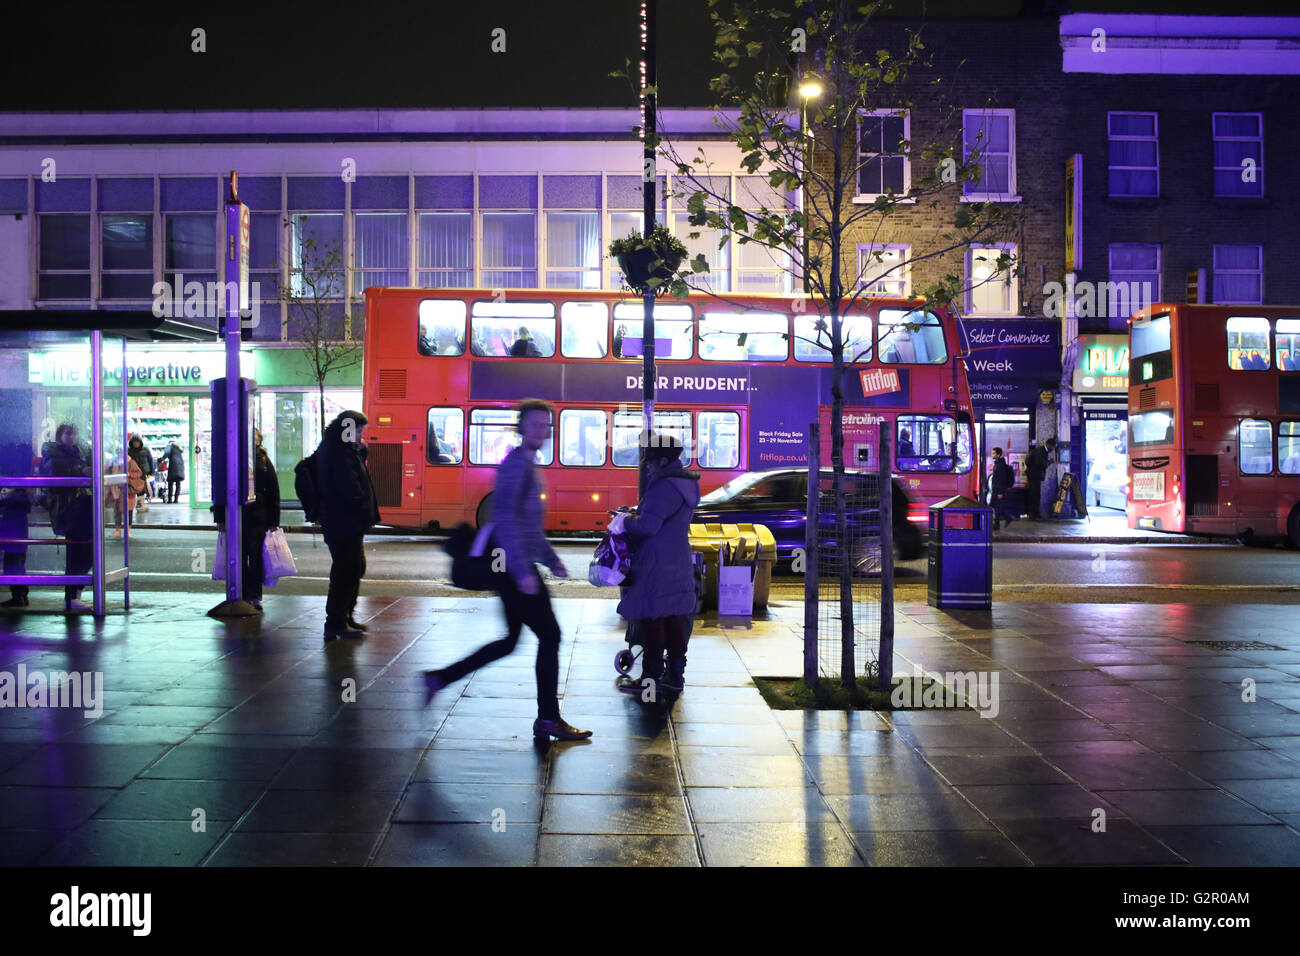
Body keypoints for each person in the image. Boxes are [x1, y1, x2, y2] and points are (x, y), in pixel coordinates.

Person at [422, 399, 592, 743]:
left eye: (546, 425)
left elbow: (528, 526)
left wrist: (550, 558)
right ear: (521, 428)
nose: (541, 431)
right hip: (514, 569)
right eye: (534, 424)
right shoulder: (517, 465)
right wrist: (523, 572)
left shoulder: (528, 464)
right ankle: (547, 719)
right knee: (551, 636)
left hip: (515, 566)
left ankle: (439, 679)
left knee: (510, 641)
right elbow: (507, 521)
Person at [614, 433, 701, 698]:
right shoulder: (686, 483)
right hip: (678, 559)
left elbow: (648, 526)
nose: (648, 467)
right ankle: (676, 675)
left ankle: (650, 678)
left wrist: (622, 521)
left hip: (656, 563)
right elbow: (663, 518)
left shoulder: (664, 486)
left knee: (653, 619)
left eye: (650, 462)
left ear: (662, 460)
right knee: (673, 617)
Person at [314, 410, 379, 639]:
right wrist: (361, 505)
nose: (362, 435)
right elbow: (348, 488)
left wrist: (361, 451)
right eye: (359, 430)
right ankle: (335, 623)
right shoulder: (337, 452)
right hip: (343, 522)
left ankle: (345, 617)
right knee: (345, 571)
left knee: (354, 568)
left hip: (348, 522)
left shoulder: (342, 449)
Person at [212, 428, 280, 612]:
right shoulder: (232, 457)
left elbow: (273, 490)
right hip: (237, 514)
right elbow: (221, 488)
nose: (254, 443)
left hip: (258, 515)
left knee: (255, 556)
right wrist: (220, 517)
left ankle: (254, 596)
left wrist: (274, 520)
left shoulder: (263, 460)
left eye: (256, 440)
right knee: (239, 556)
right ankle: (241, 593)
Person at [43, 424, 93, 611]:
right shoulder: (54, 452)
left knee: (88, 551)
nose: (72, 437)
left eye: (75, 433)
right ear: (60, 435)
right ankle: (71, 596)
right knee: (76, 551)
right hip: (69, 508)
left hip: (83, 507)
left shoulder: (80, 451)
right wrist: (82, 470)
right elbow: (57, 471)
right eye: (68, 434)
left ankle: (75, 594)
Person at [1024, 438, 1054, 520]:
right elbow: (1039, 463)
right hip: (1034, 476)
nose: (1052, 449)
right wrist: (1049, 462)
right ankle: (1033, 514)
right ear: (1049, 445)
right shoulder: (1041, 451)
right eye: (1053, 447)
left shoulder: (1041, 450)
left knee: (1035, 494)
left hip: (1034, 475)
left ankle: (1034, 513)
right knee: (1035, 495)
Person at [989, 446, 1016, 531]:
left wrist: (1000, 492)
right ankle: (1007, 517)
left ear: (998, 454)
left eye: (993, 453)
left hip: (998, 490)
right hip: (996, 489)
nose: (992, 455)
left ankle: (998, 523)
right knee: (995, 506)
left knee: (996, 507)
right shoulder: (998, 463)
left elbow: (1001, 479)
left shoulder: (1000, 465)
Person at [126, 434, 154, 510]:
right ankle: (136, 504)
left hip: (144, 473)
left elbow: (150, 460)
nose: (136, 444)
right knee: (134, 489)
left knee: (142, 489)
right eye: (134, 442)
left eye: (137, 442)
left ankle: (140, 504)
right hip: (133, 474)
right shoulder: (128, 451)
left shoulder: (145, 450)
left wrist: (151, 471)